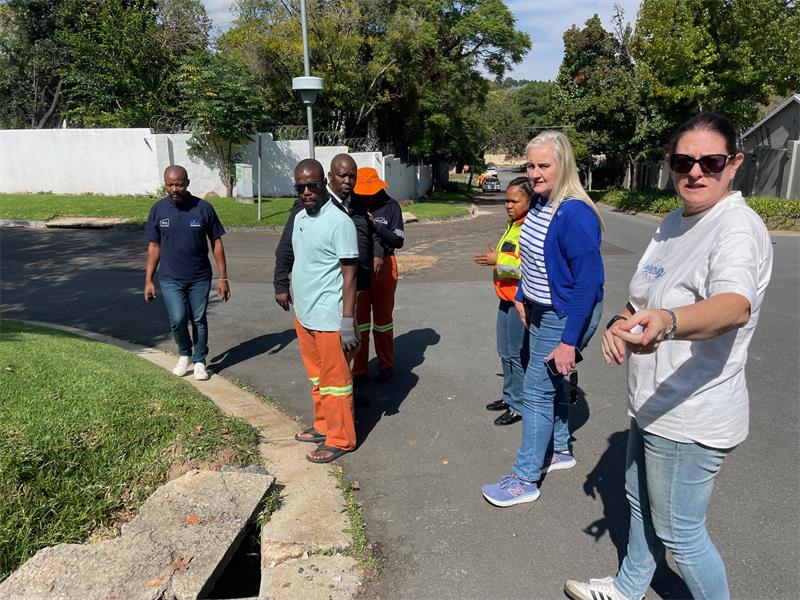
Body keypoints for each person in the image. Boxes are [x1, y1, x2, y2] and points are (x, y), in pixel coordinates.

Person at [564, 112, 773, 600]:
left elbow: (734, 306)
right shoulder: (675, 222)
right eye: (683, 161)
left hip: (691, 411)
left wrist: (669, 320)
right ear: (669, 164)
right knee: (638, 500)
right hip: (653, 401)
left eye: (710, 162)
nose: (695, 172)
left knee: (681, 533)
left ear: (734, 164)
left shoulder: (735, 228)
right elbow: (643, 297)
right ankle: (628, 587)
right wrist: (621, 322)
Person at [481, 131, 604, 507]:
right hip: (539, 308)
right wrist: (522, 295)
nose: (535, 173)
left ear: (563, 165)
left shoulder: (575, 214)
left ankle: (525, 479)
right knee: (549, 382)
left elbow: (587, 285)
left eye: (544, 165)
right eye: (531, 165)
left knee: (535, 391)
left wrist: (569, 341)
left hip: (564, 313)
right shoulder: (537, 203)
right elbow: (533, 260)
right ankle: (560, 450)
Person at [289, 158, 361, 464]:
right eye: (300, 187)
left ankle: (341, 438)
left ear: (324, 183)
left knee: (336, 382)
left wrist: (348, 320)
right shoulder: (300, 218)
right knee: (317, 379)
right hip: (304, 314)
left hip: (329, 318)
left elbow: (350, 275)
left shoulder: (340, 223)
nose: (306, 192)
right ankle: (323, 425)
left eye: (312, 185)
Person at [144, 165, 229, 381]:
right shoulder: (158, 210)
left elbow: (216, 243)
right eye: (170, 185)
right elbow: (154, 246)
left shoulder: (203, 208)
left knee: (198, 319)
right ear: (165, 185)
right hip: (170, 277)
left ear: (187, 183)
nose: (175, 189)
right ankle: (184, 354)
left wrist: (223, 278)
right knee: (178, 318)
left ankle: (199, 360)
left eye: (179, 185)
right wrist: (148, 280)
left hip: (199, 277)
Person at [274, 153, 374, 311]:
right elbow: (287, 245)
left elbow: (368, 235)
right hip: (329, 293)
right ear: (330, 177)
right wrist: (281, 284)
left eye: (352, 177)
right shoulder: (311, 203)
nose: (348, 181)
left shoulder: (359, 204)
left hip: (358, 286)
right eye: (342, 176)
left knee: (360, 326)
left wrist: (378, 253)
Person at [474, 176, 532, 426]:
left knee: (517, 355)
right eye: (506, 201)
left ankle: (519, 405)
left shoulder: (530, 228)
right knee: (505, 353)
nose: (508, 205)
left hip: (520, 302)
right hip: (505, 299)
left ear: (531, 200)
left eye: (514, 201)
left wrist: (498, 260)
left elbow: (528, 266)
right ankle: (509, 397)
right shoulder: (514, 225)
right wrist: (497, 257)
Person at [351, 167, 405, 384]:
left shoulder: (391, 207)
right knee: (360, 321)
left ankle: (385, 365)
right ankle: (359, 369)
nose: (366, 197)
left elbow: (398, 240)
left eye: (369, 193)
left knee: (383, 321)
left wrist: (376, 226)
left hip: (386, 267)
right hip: (360, 265)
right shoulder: (354, 205)